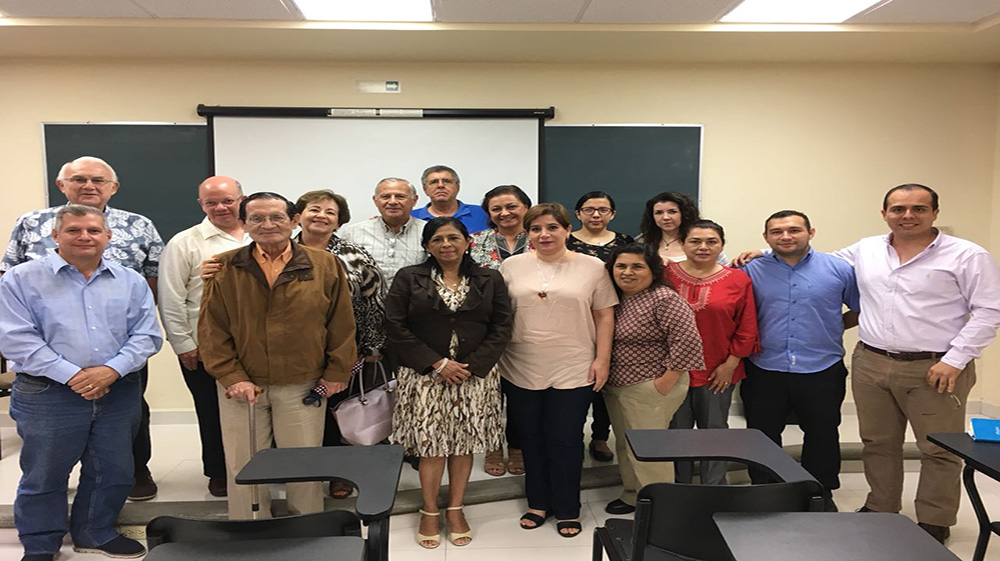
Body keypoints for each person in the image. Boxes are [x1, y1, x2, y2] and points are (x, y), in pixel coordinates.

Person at [836, 184, 1000, 542]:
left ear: (935, 213)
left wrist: (955, 360)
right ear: (884, 214)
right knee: (877, 442)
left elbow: (989, 311)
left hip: (936, 367)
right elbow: (819, 267)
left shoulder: (967, 255)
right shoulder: (865, 249)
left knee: (939, 447)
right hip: (872, 361)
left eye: (918, 209)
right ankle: (881, 507)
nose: (907, 216)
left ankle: (935, 518)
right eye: (898, 209)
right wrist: (762, 255)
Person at [0, 204, 163, 561]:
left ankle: (95, 531)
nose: (84, 237)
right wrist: (73, 375)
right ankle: (41, 543)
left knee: (114, 469)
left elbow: (146, 335)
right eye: (74, 230)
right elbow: (16, 340)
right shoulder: (20, 278)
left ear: (108, 236)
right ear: (55, 236)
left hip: (117, 390)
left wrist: (110, 371)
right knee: (45, 473)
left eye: (93, 230)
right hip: (47, 392)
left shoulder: (130, 280)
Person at [198, 192, 357, 519]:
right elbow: (212, 330)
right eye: (256, 218)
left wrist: (337, 372)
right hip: (242, 387)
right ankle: (249, 527)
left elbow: (342, 321)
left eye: (277, 217)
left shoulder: (324, 264)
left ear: (293, 220)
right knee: (243, 465)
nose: (267, 225)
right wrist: (233, 377)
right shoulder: (225, 266)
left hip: (303, 383)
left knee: (303, 464)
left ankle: (307, 530)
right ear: (244, 223)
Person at [386, 217, 513, 549]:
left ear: (467, 241)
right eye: (438, 239)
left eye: (454, 238)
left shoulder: (490, 278)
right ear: (427, 246)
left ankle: (456, 508)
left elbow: (502, 325)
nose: (446, 244)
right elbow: (395, 325)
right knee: (431, 446)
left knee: (464, 444)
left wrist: (474, 366)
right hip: (425, 374)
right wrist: (437, 363)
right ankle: (429, 509)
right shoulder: (408, 277)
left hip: (473, 375)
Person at [499, 203, 617, 538]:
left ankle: (567, 507)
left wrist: (602, 360)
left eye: (552, 227)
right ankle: (537, 503)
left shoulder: (593, 266)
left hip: (575, 365)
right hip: (520, 365)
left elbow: (604, 315)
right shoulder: (511, 266)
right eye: (535, 229)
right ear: (527, 234)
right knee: (531, 439)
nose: (544, 235)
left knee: (565, 439)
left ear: (567, 229)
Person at [738, 210, 860, 512]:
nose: (786, 236)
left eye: (794, 230)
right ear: (766, 237)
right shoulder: (750, 269)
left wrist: (831, 327)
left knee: (822, 432)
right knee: (761, 433)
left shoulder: (839, 269)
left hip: (821, 366)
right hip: (764, 365)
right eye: (776, 232)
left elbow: (859, 308)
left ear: (811, 232)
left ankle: (819, 491)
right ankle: (765, 490)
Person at [294, 189, 387, 499]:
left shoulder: (352, 253)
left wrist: (372, 346)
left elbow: (375, 299)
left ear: (338, 221)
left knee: (341, 411)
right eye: (314, 209)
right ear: (299, 216)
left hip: (347, 348)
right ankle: (303, 473)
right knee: (301, 413)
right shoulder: (280, 251)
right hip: (295, 351)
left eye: (329, 212)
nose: (321, 216)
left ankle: (341, 473)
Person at [158, 176, 248, 498]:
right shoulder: (185, 242)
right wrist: (184, 345)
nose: (221, 207)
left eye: (228, 200)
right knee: (211, 411)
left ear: (242, 198)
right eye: (212, 202)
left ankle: (259, 467)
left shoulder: (263, 234)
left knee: (260, 410)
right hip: (205, 345)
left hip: (257, 345)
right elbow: (170, 297)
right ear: (201, 205)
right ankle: (219, 472)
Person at [602, 243, 704, 515]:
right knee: (626, 444)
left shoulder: (664, 298)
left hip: (651, 385)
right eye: (621, 266)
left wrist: (663, 383)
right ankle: (633, 495)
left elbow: (688, 342)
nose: (627, 272)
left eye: (637, 266)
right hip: (618, 385)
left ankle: (661, 509)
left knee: (650, 451)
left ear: (653, 271)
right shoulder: (616, 297)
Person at [665, 220, 758, 485]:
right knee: (676, 433)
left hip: (718, 370)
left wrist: (731, 364)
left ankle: (714, 488)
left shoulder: (738, 279)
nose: (703, 247)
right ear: (682, 243)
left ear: (722, 245)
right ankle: (679, 487)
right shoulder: (665, 274)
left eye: (711, 241)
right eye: (695, 241)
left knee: (714, 432)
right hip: (673, 370)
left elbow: (747, 325)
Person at [566, 190, 634, 464]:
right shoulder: (565, 241)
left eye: (603, 210)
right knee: (577, 382)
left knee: (605, 380)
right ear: (578, 213)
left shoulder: (625, 242)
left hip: (615, 316)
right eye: (589, 209)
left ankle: (600, 436)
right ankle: (572, 437)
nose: (596, 214)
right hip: (575, 320)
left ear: (612, 214)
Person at [469, 184, 532, 477]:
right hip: (486, 329)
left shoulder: (540, 238)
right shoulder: (474, 242)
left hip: (531, 327)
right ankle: (493, 444)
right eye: (496, 209)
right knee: (489, 391)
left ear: (525, 207)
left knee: (521, 391)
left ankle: (518, 445)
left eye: (511, 206)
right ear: (489, 214)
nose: (504, 213)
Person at [340, 177, 427, 286]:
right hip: (366, 302)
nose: (393, 202)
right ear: (375, 200)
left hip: (413, 301)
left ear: (414, 200)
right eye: (385, 196)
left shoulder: (428, 232)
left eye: (400, 196)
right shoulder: (353, 233)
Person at [638, 191, 727, 265]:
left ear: (684, 214)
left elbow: (725, 271)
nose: (665, 217)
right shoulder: (643, 241)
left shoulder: (703, 240)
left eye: (672, 212)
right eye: (658, 213)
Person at [410, 165, 490, 233]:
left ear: (457, 187)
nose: (440, 185)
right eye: (434, 182)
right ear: (425, 189)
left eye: (447, 181)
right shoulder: (411, 218)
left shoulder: (483, 213)